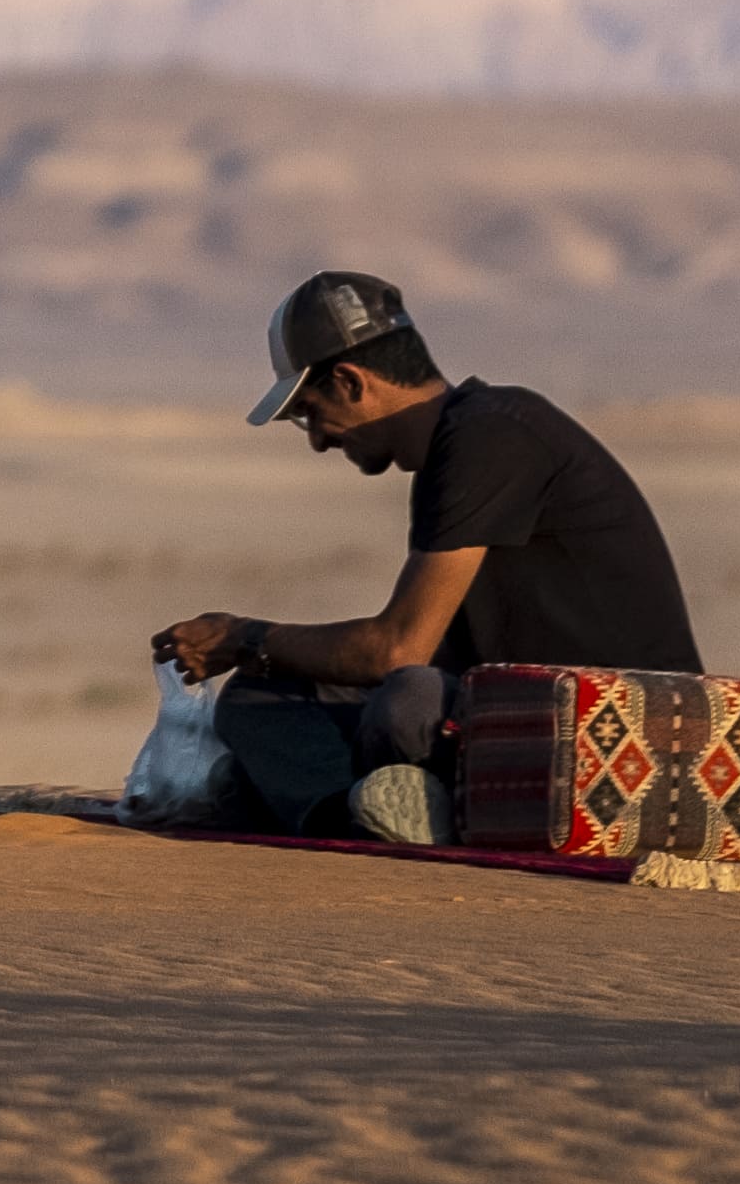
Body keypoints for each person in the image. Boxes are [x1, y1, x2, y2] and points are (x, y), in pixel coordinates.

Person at [150, 268, 696, 847]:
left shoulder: (487, 437)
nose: (317, 440)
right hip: (526, 704)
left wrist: (246, 638)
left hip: (614, 722)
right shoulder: (460, 446)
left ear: (350, 381)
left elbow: (399, 648)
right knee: (262, 697)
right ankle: (364, 809)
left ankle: (350, 809)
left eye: (310, 412)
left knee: (405, 705)